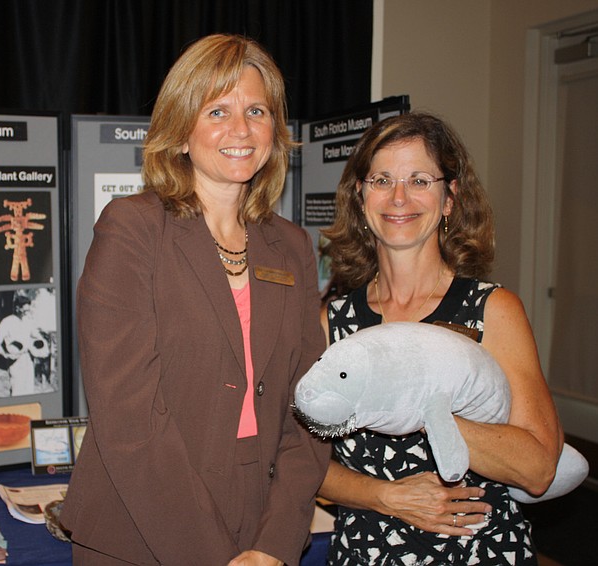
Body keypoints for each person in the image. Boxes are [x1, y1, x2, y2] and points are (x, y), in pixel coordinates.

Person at [60, 34, 331, 565]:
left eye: (256, 110)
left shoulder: (293, 246)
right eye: (217, 111)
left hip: (261, 519)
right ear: (182, 130)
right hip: (142, 525)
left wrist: (275, 543)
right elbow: (129, 419)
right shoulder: (133, 229)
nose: (241, 129)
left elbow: (314, 408)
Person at [317, 111, 564, 565]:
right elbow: (301, 464)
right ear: (360, 195)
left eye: (420, 180)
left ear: (449, 198)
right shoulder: (334, 322)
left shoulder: (493, 310)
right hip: (367, 551)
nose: (398, 197)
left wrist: (427, 413)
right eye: (381, 179)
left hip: (477, 552)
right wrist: (384, 496)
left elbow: (538, 469)